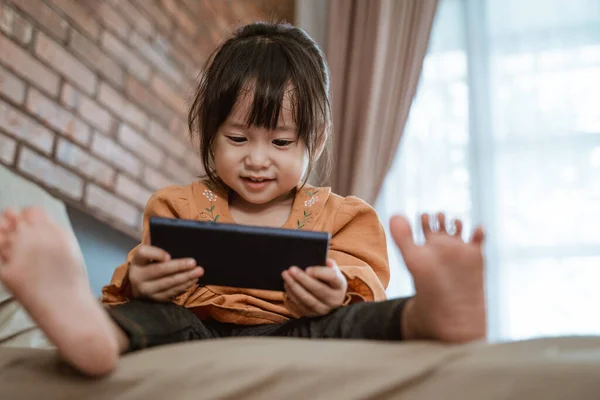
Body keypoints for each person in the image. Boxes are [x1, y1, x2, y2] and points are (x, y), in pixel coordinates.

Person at [0, 22, 486, 377]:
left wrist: (335, 289)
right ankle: (92, 336)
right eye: (238, 139)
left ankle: (428, 315)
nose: (258, 160)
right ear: (210, 137)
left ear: (314, 144)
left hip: (300, 330)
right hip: (195, 328)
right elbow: (146, 271)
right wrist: (143, 282)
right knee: (155, 318)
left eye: (280, 143)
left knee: (351, 322)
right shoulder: (176, 205)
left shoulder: (345, 215)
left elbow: (362, 281)